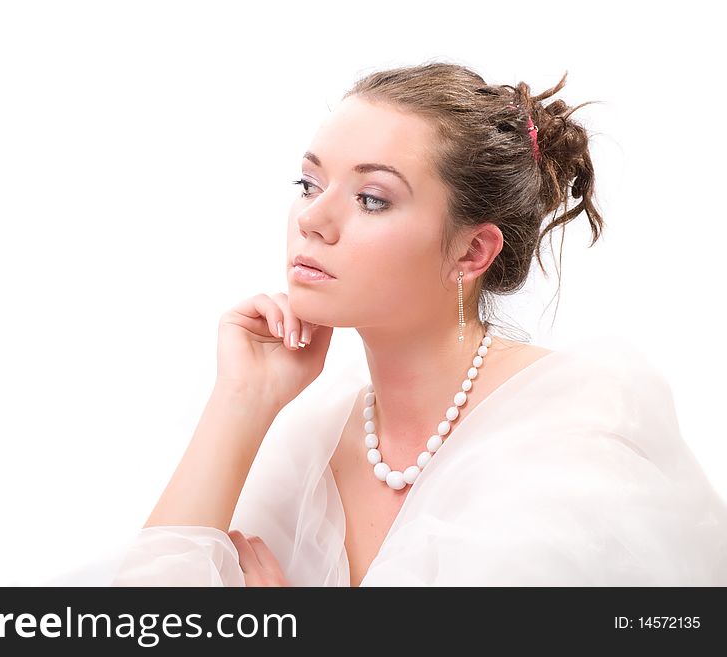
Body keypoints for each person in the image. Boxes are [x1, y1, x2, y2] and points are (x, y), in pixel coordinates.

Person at [51, 61, 727, 586]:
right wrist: (240, 402)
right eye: (309, 184)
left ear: (472, 251)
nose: (314, 219)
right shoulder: (319, 436)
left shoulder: (571, 445)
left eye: (372, 198)